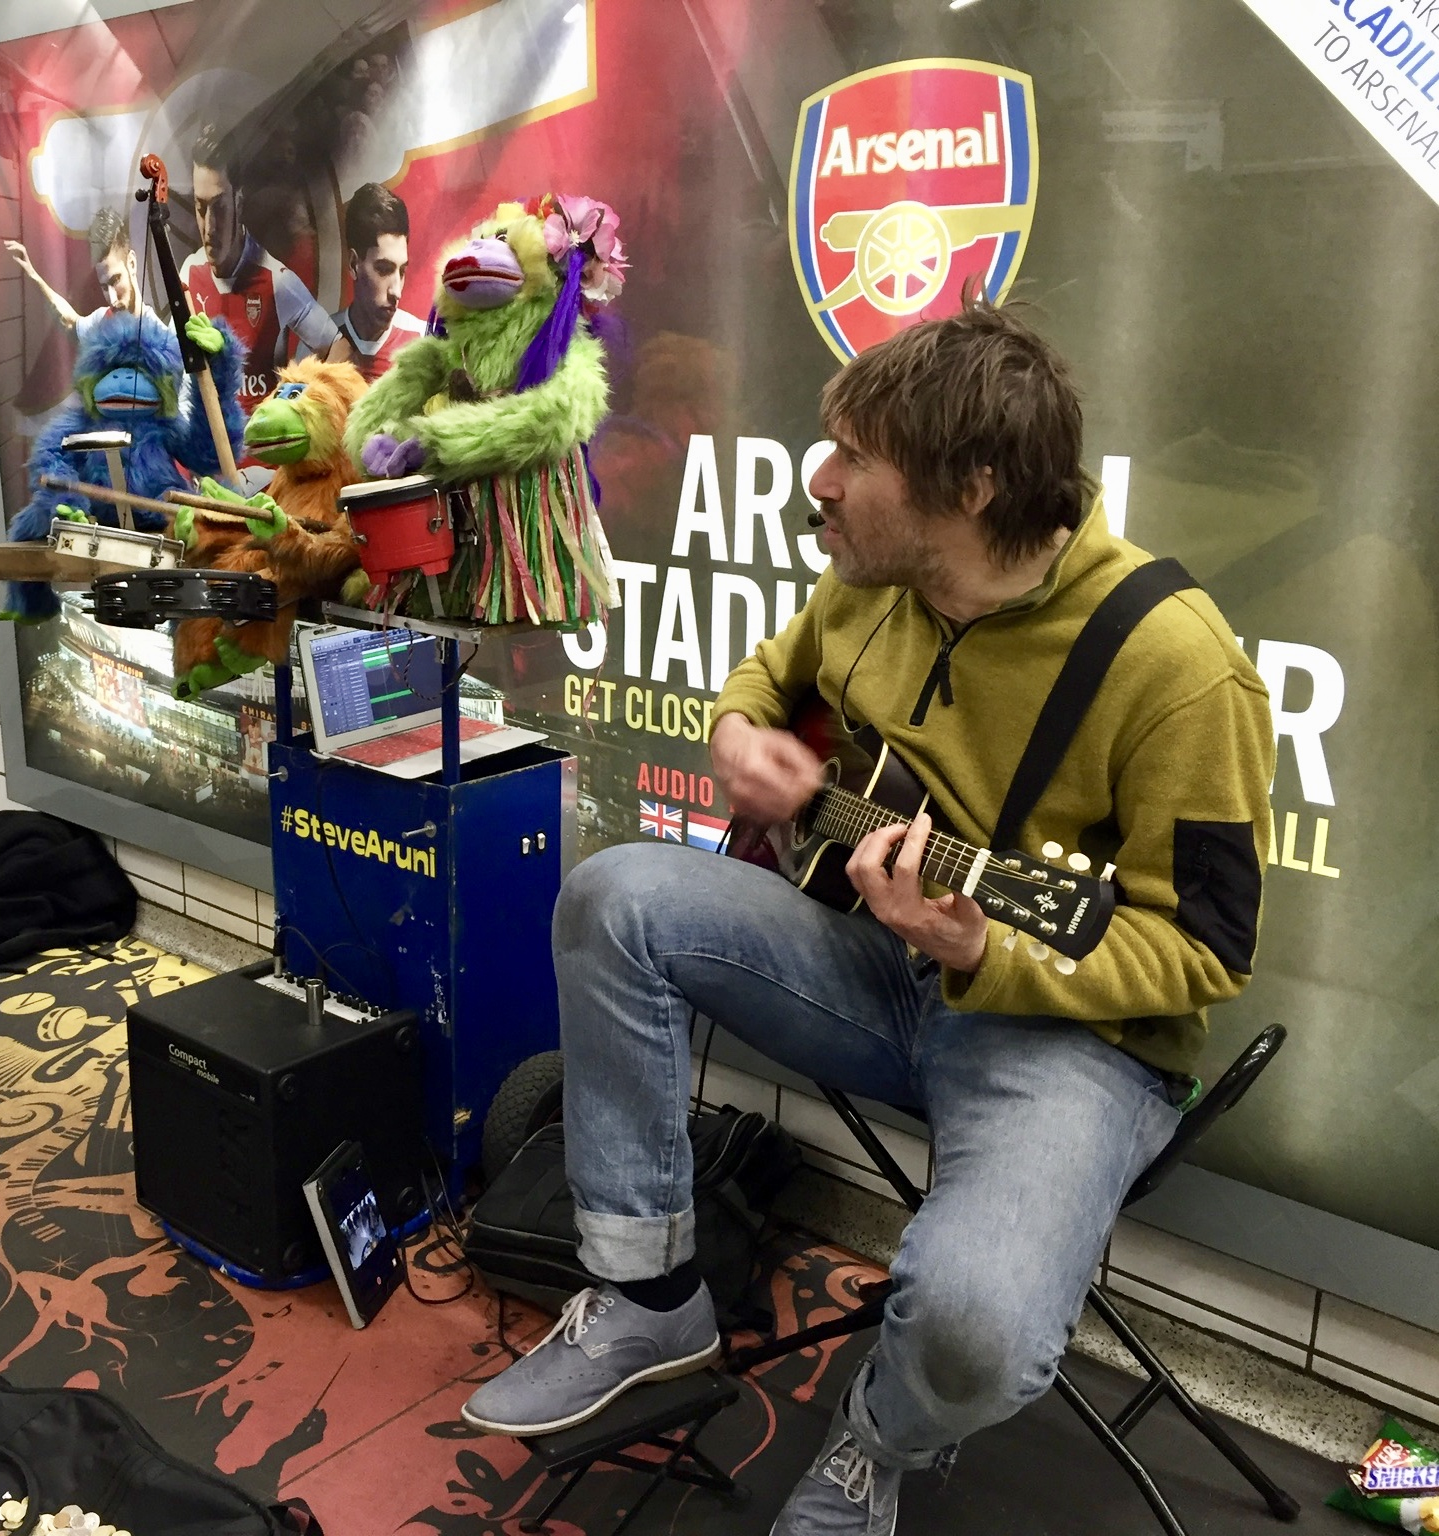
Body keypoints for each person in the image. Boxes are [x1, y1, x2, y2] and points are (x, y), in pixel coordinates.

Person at [460, 300, 1276, 1535]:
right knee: (613, 897)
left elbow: (1206, 951)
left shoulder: (1178, 667)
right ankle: (646, 1301)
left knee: (974, 1333)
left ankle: (875, 1443)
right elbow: (764, 681)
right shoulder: (871, 582)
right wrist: (740, 736)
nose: (820, 480)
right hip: (874, 962)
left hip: (1064, 1040)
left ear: (972, 490)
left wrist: (994, 949)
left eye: (856, 457)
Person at [180, 123, 338, 416]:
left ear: (238, 200)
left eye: (220, 207)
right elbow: (177, 369)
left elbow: (337, 347)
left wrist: (296, 397)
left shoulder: (275, 280)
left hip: (260, 457)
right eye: (200, 208)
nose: (210, 225)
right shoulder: (189, 273)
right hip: (210, 455)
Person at [327, 182, 423, 384]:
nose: (396, 291)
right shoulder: (319, 344)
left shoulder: (422, 341)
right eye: (384, 269)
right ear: (354, 265)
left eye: (402, 270)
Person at [5, 205, 143, 337]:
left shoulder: (161, 338)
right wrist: (32, 274)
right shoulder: (104, 320)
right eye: (105, 287)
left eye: (115, 280)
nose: (112, 300)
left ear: (131, 263)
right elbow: (69, 322)